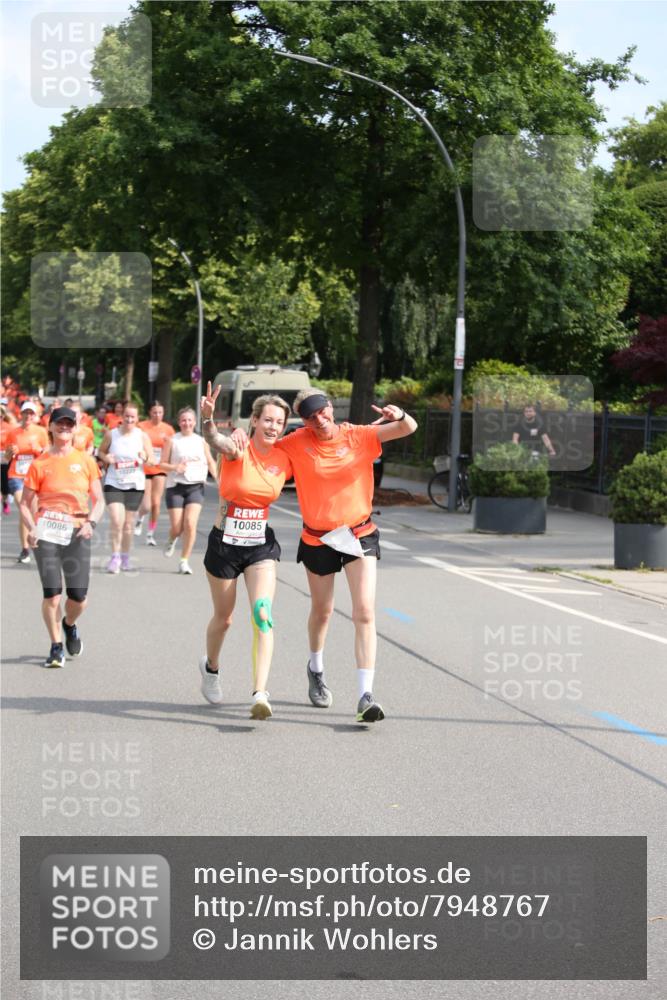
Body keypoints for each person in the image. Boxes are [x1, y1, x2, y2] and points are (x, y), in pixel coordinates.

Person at [240, 388, 418, 724]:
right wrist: (238, 435)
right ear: (304, 420)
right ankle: (316, 668)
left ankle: (366, 696)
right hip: (318, 538)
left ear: (331, 409)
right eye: (311, 416)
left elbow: (409, 429)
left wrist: (401, 416)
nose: (319, 420)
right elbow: (262, 449)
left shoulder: (359, 435)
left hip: (358, 535)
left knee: (364, 612)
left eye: (323, 412)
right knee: (322, 611)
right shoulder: (296, 442)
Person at [201, 383, 292, 719]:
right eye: (267, 420)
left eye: (279, 422)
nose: (273, 427)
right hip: (224, 544)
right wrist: (208, 421)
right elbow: (216, 440)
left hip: (259, 546)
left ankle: (260, 693)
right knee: (224, 619)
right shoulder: (237, 448)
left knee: (262, 612)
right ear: (254, 421)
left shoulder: (284, 457)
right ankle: (211, 667)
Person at [18, 406, 104, 668]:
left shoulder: (86, 461)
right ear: (51, 428)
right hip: (47, 532)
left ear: (75, 428)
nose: (65, 428)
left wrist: (91, 522)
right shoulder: (40, 463)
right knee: (52, 595)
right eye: (60, 424)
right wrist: (32, 527)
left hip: (78, 530)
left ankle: (69, 624)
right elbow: (24, 503)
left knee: (78, 597)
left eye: (69, 424)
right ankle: (56, 646)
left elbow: (99, 499)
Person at [160, 406, 217, 575]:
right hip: (175, 487)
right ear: (179, 422)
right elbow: (162, 464)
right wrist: (175, 467)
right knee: (177, 528)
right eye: (183, 420)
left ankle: (184, 561)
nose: (187, 423)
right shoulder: (172, 440)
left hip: (195, 487)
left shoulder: (201, 441)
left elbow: (211, 461)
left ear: (194, 422)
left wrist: (220, 480)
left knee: (190, 524)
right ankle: (172, 538)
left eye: (190, 420)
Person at [98, 402, 154, 573]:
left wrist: (145, 457)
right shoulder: (111, 434)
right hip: (114, 482)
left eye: (133, 417)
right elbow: (100, 452)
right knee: (116, 520)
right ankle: (114, 557)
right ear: (121, 417)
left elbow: (152, 460)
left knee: (128, 524)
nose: (129, 419)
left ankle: (125, 556)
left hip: (134, 484)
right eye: (127, 416)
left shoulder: (142, 436)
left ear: (137, 419)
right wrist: (107, 458)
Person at [4, 400, 49, 562]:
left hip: (35, 476)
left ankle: (35, 543)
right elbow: (6, 457)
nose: (28, 416)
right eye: (26, 413)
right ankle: (24, 549)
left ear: (35, 415)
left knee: (34, 511)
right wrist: (10, 451)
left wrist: (38, 450)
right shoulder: (13, 433)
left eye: (31, 413)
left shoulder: (41, 432)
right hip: (17, 475)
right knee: (23, 506)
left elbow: (48, 455)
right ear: (21, 415)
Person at [135, 400, 175, 545]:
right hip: (145, 468)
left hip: (160, 469)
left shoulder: (169, 429)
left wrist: (169, 443)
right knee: (146, 505)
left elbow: (173, 449)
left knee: (156, 503)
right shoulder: (142, 427)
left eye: (160, 412)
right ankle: (140, 519)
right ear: (149, 413)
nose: (157, 415)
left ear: (163, 413)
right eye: (154, 412)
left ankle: (151, 533)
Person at [1, 401, 18, 515]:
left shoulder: (9, 428)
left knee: (4, 483)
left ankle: (5, 500)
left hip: (5, 456)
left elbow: (13, 443)